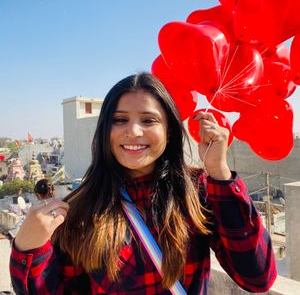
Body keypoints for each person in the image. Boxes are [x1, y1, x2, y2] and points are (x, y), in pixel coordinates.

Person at [10, 73, 277, 294]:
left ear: (169, 130)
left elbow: (257, 277)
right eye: (120, 120)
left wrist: (219, 172)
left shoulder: (197, 192)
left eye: (149, 120)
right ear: (106, 130)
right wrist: (28, 247)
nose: (134, 131)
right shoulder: (80, 209)